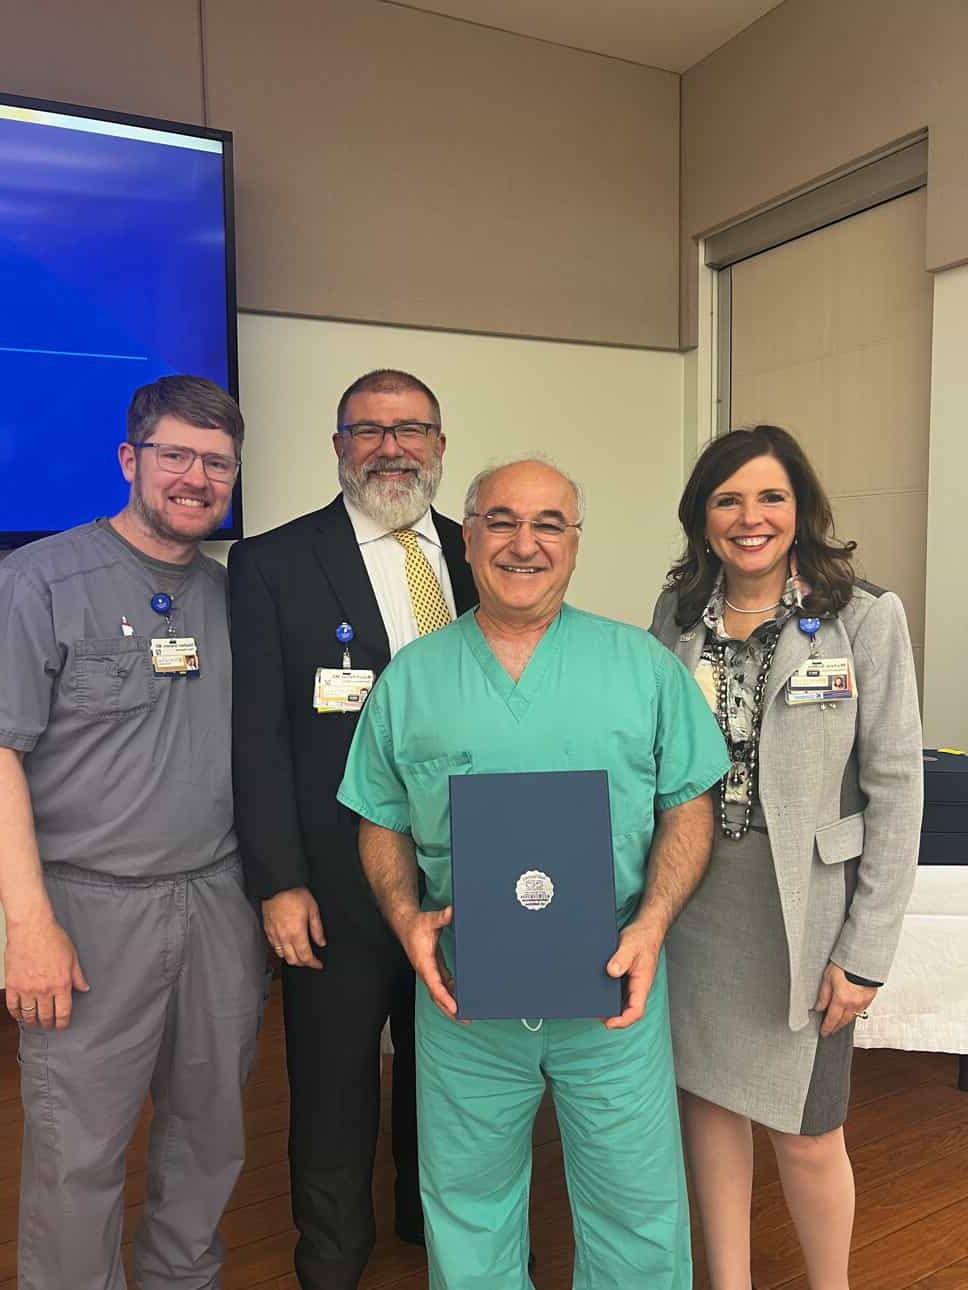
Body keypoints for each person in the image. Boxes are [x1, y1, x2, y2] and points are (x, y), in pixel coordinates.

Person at [337, 458, 730, 1289]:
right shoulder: (412, 679)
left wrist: (653, 921)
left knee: (637, 1203)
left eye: (549, 523)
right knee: (467, 1202)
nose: (525, 544)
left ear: (576, 544)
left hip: (613, 985)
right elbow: (380, 816)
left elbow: (688, 803)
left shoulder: (642, 668)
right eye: (502, 521)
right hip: (463, 990)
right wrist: (406, 916)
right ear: (468, 536)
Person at [0, 375, 265, 1290]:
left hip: (215, 901)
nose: (196, 477)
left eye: (217, 463)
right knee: (77, 1149)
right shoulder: (39, 581)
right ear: (131, 460)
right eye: (177, 456)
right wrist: (27, 927)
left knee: (210, 1135)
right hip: (86, 906)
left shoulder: (236, 597)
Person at [649, 425, 923, 1290]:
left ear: (800, 509)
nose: (749, 517)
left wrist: (865, 953)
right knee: (708, 1108)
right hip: (696, 901)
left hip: (806, 911)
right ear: (703, 518)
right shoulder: (676, 614)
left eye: (770, 496)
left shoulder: (862, 618)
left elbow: (895, 788)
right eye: (727, 499)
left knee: (809, 1132)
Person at [228, 369, 478, 1289]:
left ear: (441, 447)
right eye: (368, 430)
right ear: (340, 448)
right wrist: (277, 880)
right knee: (332, 1086)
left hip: (467, 870)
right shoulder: (273, 564)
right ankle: (331, 1260)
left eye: (411, 429)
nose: (391, 447)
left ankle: (429, 1221)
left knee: (450, 1071)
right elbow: (255, 738)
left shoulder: (477, 554)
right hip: (333, 880)